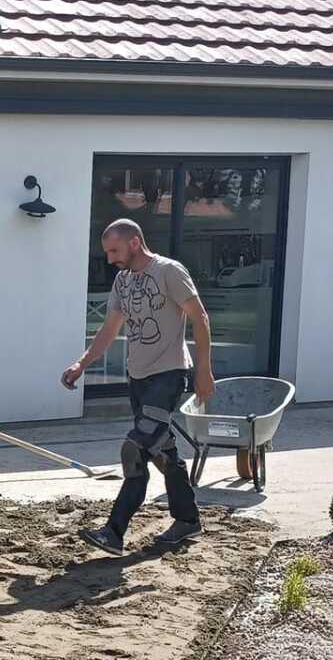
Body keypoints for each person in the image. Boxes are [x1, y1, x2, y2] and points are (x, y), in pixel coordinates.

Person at [61, 218, 216, 556]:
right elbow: (109, 328)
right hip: (138, 378)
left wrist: (204, 369)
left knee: (135, 449)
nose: (110, 258)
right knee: (162, 452)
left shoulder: (168, 271)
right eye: (106, 252)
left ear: (134, 242)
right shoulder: (122, 280)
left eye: (114, 250)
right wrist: (82, 364)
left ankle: (113, 533)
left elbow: (200, 317)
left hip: (169, 374)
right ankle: (188, 519)